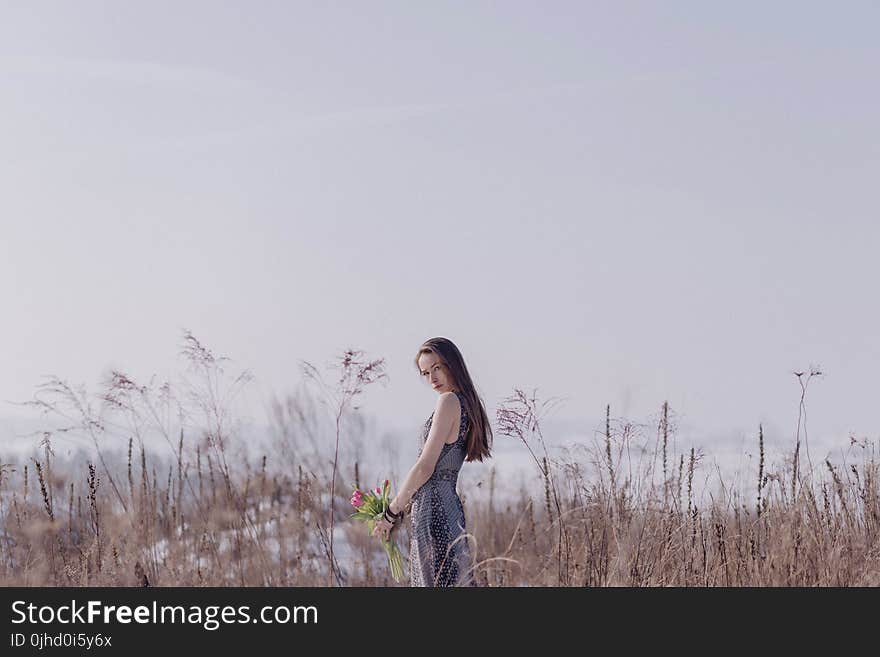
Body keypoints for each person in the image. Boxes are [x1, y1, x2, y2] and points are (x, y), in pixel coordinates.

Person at [373, 337, 493, 586]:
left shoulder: (448, 401)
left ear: (452, 364)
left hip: (433, 509)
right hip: (449, 508)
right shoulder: (467, 403)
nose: (432, 378)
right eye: (425, 373)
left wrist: (392, 511)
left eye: (437, 368)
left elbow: (425, 466)